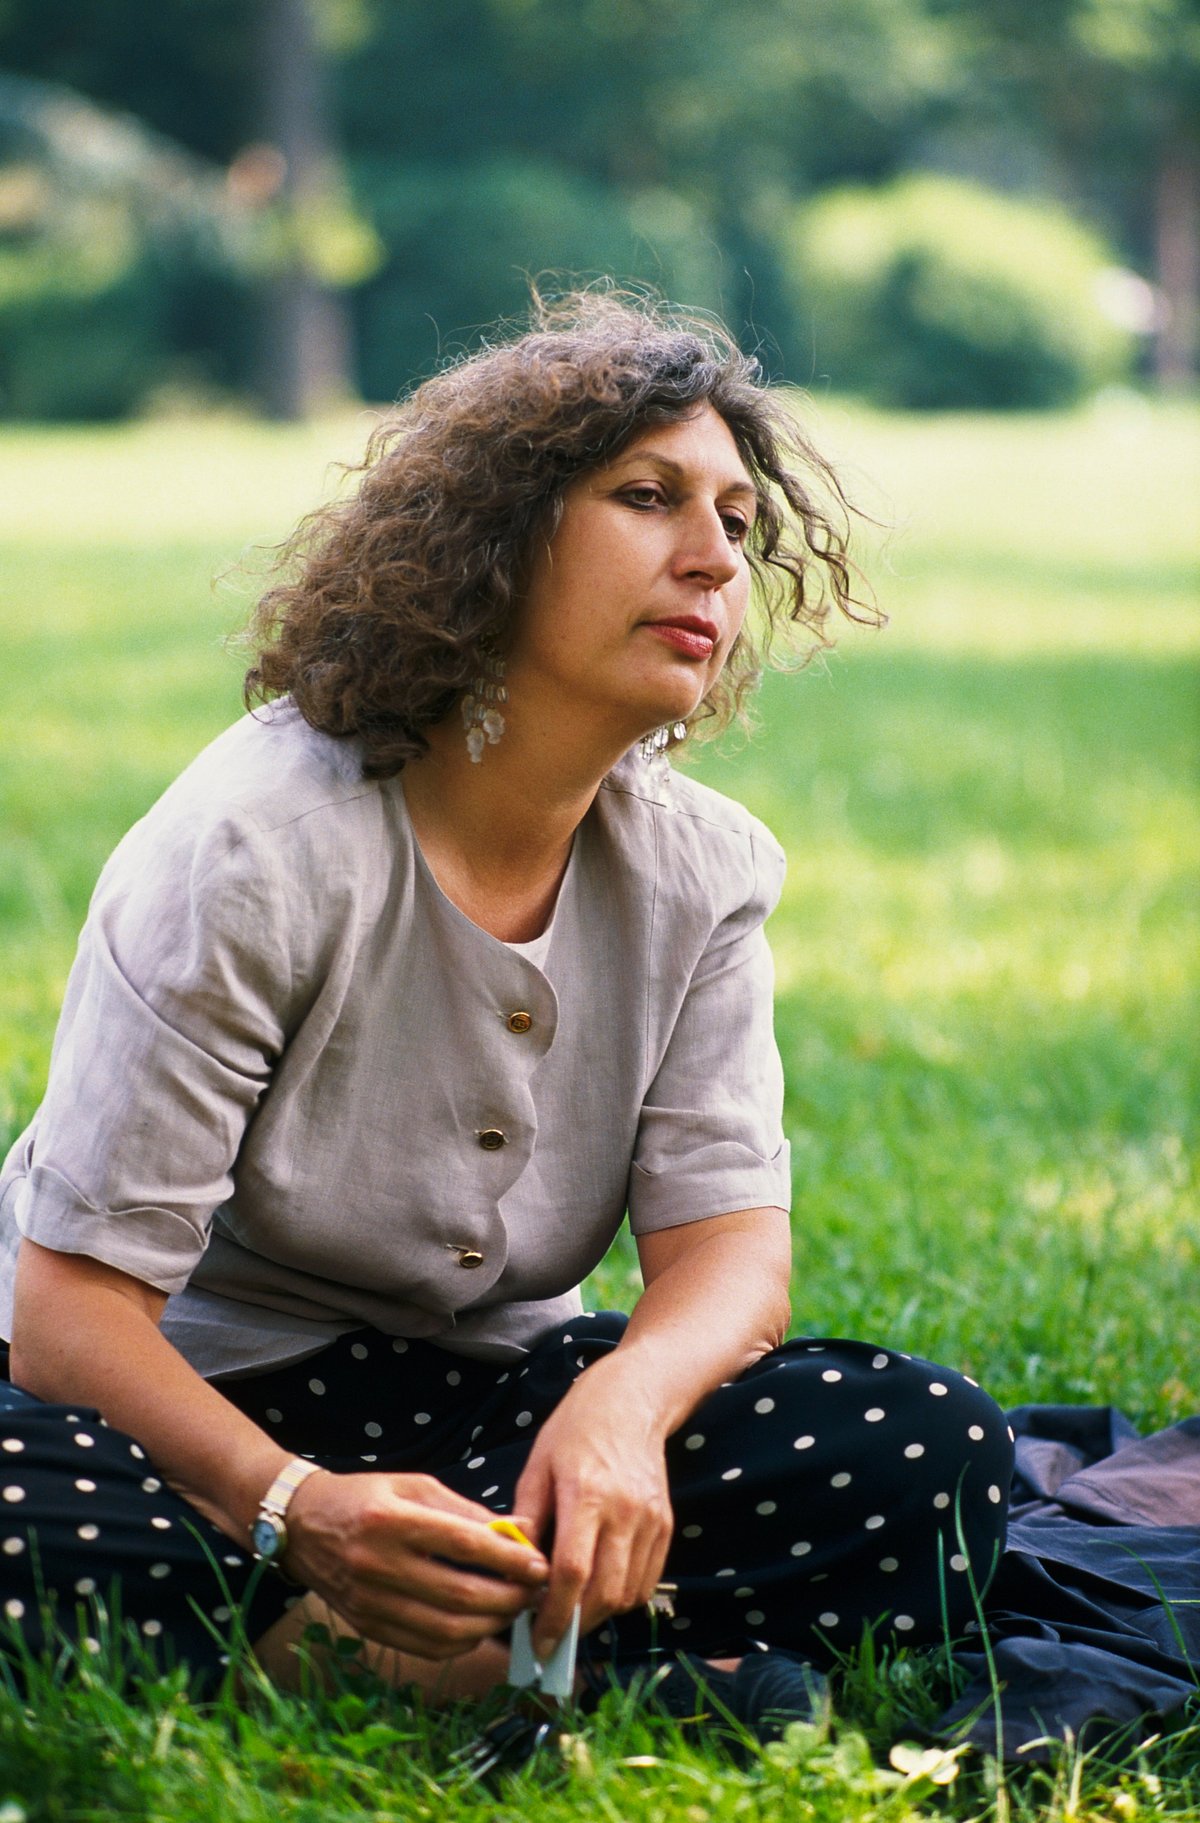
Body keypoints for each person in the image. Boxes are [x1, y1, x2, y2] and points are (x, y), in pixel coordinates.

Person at [0, 293, 1012, 1724]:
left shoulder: (702, 873)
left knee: (926, 1445)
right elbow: (65, 1324)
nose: (715, 558)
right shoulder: (256, 848)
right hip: (182, 1422)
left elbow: (732, 1257)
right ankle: (469, 1650)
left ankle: (364, 1650)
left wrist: (625, 1409)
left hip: (493, 1414)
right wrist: (297, 1507)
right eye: (649, 498)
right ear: (496, 540)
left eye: (736, 520)